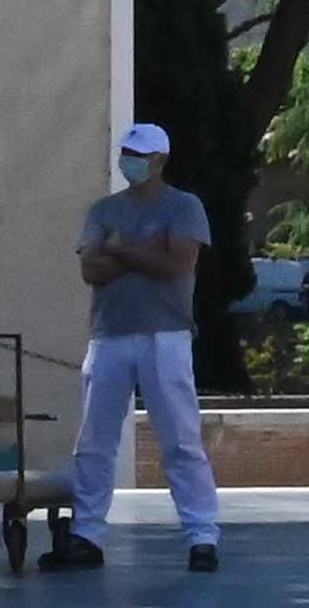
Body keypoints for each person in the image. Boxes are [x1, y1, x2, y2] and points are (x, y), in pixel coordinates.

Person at [62, 122, 218, 574]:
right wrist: (145, 251)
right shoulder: (104, 210)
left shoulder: (184, 206)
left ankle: (202, 535)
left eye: (138, 154)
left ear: (159, 160)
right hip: (109, 335)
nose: (128, 160)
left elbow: (177, 265)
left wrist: (120, 249)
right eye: (126, 152)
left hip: (165, 335)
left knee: (181, 439)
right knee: (94, 441)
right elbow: (91, 270)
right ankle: (87, 534)